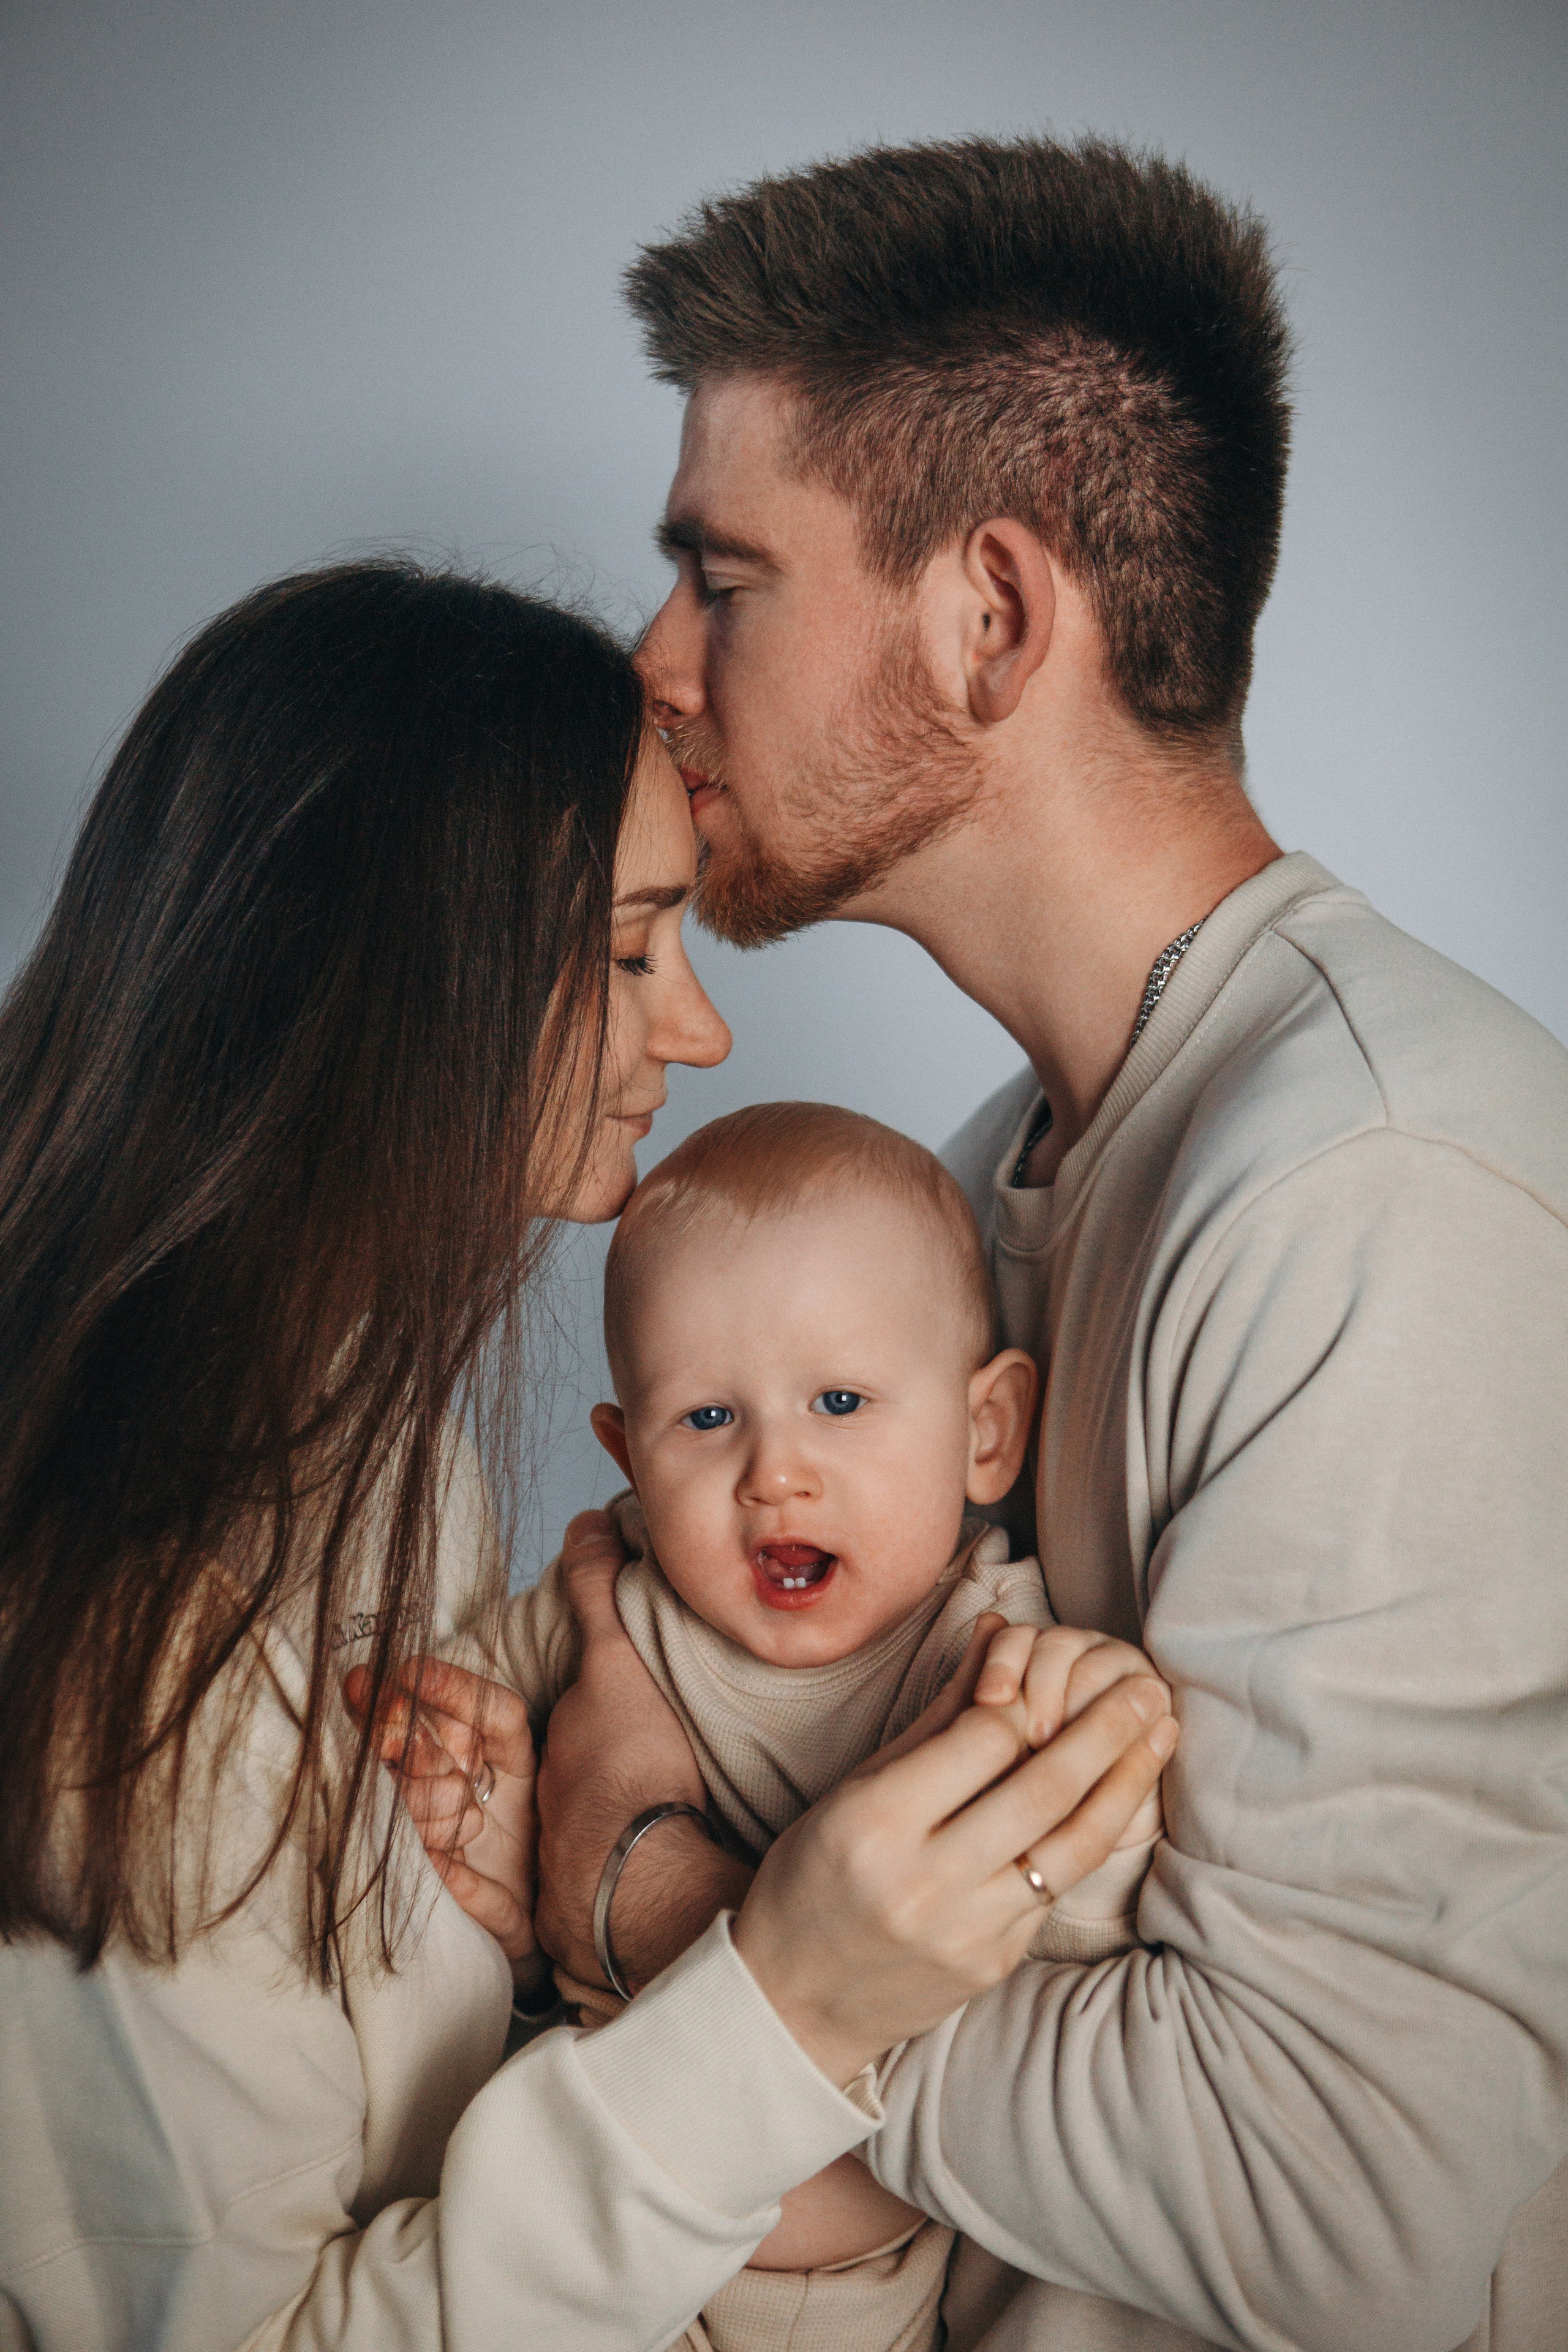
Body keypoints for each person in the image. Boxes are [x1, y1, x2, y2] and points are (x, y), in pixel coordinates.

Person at [459, 134, 1568, 2352]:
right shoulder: (975, 1186)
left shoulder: (1378, 1184)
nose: (655, 665)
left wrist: (652, 1891)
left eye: (723, 578)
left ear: (991, 615)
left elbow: (1334, 2201)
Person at [0, 557, 1175, 2351]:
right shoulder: (126, 1643)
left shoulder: (372, 1429)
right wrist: (781, 1992)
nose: (699, 1031)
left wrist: (504, 1902)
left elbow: (393, 2085)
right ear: (393, 978)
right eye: (631, 949)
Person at [391, 1099, 1171, 2352]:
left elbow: (1080, 1947)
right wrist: (467, 1800)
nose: (774, 1473)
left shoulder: (992, 1660)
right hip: (594, 2241)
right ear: (629, 1457)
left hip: (866, 2292)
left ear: (984, 1434)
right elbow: (443, 1732)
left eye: (840, 1401)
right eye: (707, 1420)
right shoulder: (613, 1605)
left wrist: (1103, 1775)